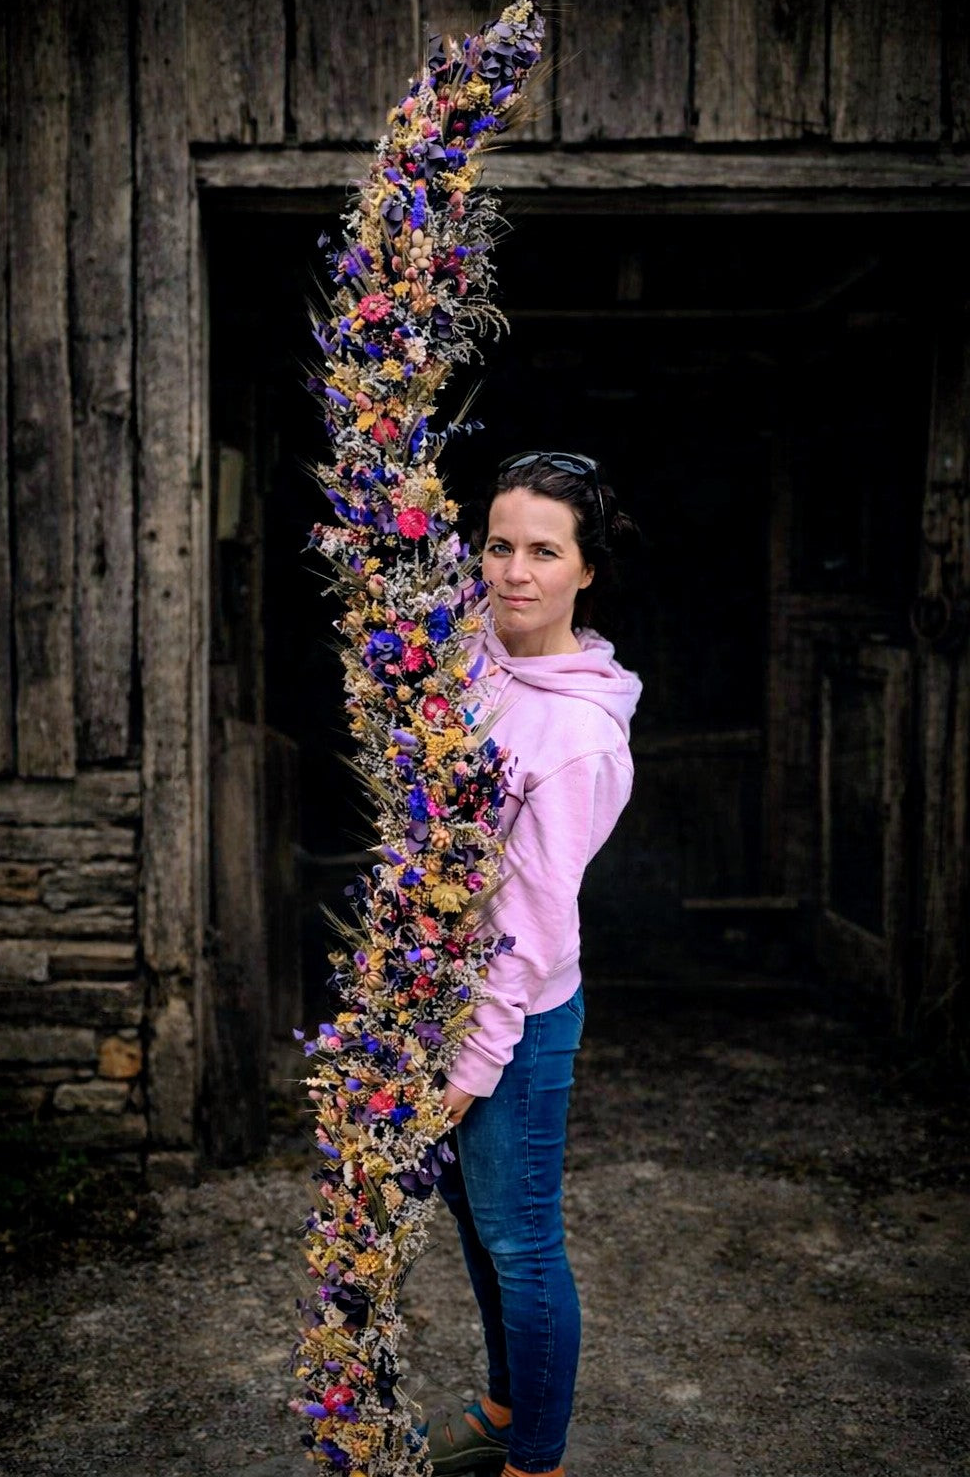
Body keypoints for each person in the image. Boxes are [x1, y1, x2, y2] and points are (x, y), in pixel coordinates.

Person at [422, 452, 642, 1477]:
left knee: (521, 1243)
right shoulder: (475, 660)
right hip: (437, 998)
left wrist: (471, 1066)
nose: (513, 571)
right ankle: (509, 1408)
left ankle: (536, 1462)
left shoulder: (580, 736)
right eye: (498, 546)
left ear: (585, 571)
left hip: (512, 1021)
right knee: (476, 1226)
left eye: (543, 551)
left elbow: (535, 926)